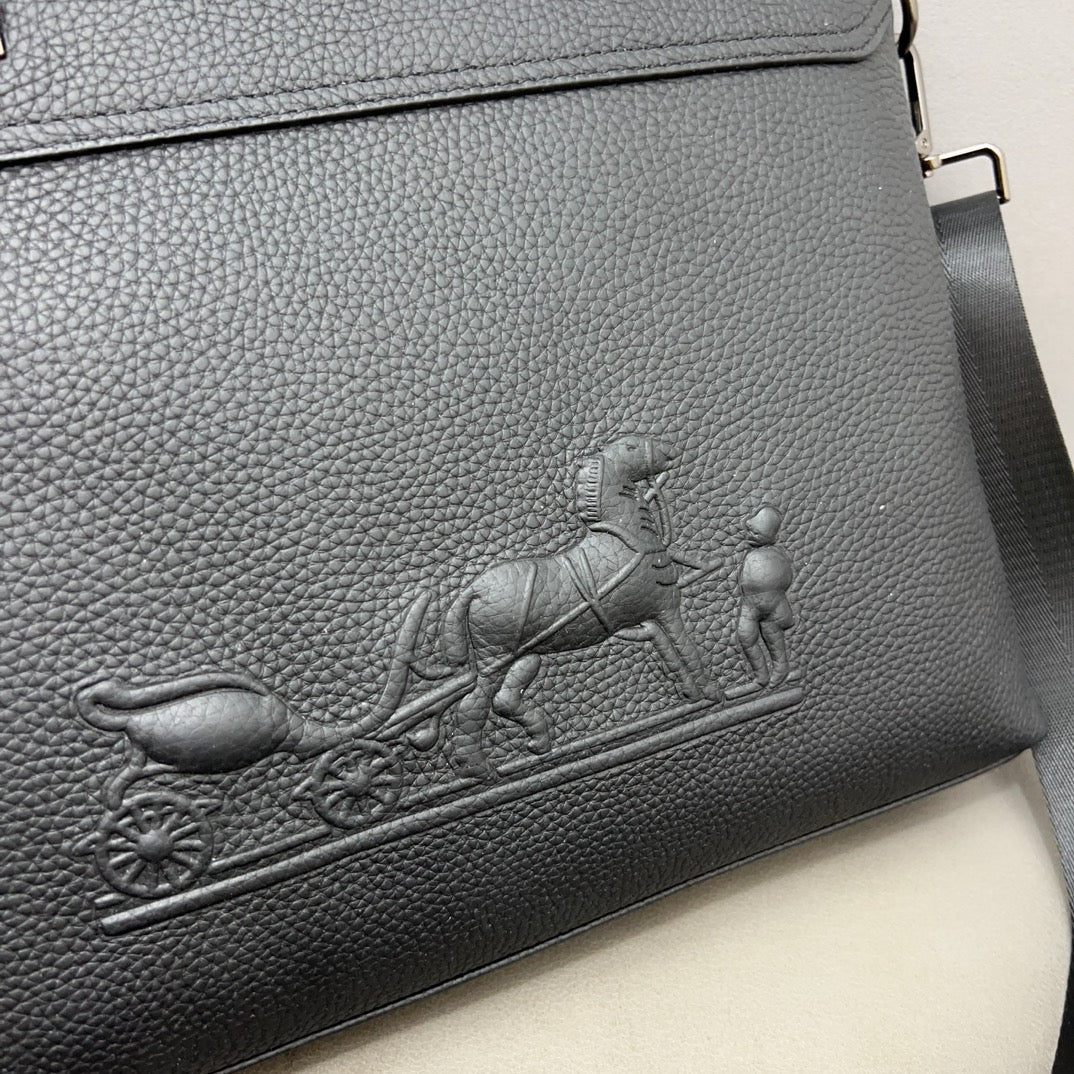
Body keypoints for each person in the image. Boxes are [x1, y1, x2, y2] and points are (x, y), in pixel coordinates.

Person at [736, 505, 794, 687]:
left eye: (757, 533)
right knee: (745, 636)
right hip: (750, 604)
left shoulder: (776, 554)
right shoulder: (750, 554)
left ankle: (781, 669)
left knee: (774, 637)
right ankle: (761, 675)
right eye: (751, 532)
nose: (751, 536)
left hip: (773, 604)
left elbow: (787, 576)